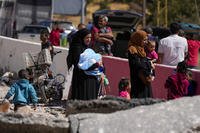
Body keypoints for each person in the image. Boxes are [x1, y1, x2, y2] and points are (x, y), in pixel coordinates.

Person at [67, 28, 99, 100]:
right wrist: (95, 65)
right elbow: (80, 63)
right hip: (80, 77)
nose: (89, 39)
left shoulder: (87, 47)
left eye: (90, 37)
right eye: (87, 37)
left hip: (88, 76)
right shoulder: (77, 48)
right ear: (82, 38)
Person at [128, 30, 154, 98]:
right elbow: (137, 64)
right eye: (144, 40)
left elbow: (143, 61)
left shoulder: (141, 49)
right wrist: (149, 63)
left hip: (145, 79)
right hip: (138, 80)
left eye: (146, 40)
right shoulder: (132, 49)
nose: (146, 42)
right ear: (138, 39)